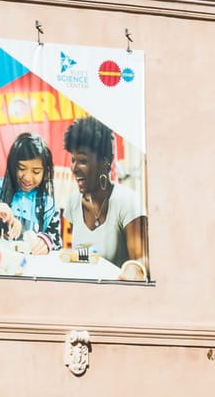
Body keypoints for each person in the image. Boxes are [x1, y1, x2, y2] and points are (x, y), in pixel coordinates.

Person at [59, 115, 148, 277]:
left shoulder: (127, 201)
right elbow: (72, 255)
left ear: (104, 162)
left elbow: (142, 259)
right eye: (73, 160)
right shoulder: (73, 203)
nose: (74, 168)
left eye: (82, 161)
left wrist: (134, 268)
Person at [0, 132, 62, 253]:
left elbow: (57, 246)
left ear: (46, 173)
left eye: (36, 171)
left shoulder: (49, 205)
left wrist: (46, 243)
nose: (27, 178)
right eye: (21, 168)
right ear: (12, 166)